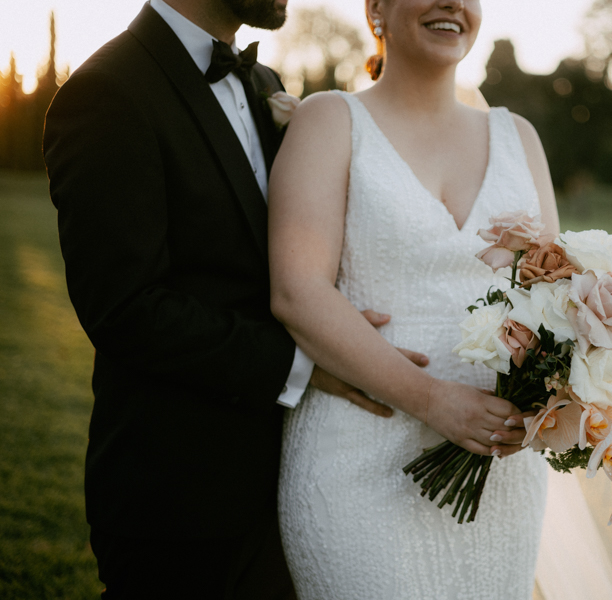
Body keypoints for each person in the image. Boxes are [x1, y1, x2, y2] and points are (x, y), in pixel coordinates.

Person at [42, 0, 428, 597]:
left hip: (295, 486)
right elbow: (127, 310)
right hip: (178, 499)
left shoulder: (265, 83)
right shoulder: (106, 92)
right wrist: (307, 363)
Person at [268, 0, 558, 598]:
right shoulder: (329, 120)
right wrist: (432, 399)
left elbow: (555, 299)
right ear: (377, 8)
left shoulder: (519, 137)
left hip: (498, 478)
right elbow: (297, 292)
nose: (453, 3)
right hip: (357, 460)